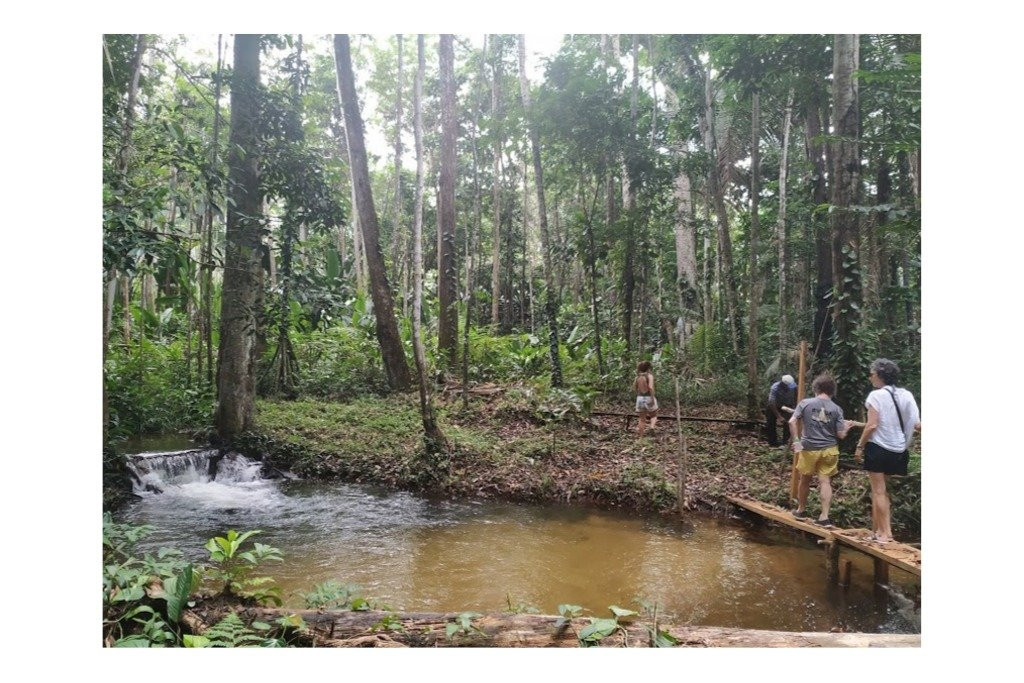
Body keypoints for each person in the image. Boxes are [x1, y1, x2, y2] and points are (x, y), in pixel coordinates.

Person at [854, 358, 921, 544]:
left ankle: (886, 534)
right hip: (899, 450)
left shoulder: (875, 396)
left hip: (878, 448)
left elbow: (872, 425)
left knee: (878, 491)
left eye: (872, 374)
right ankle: (877, 531)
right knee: (882, 492)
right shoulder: (906, 395)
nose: (870, 377)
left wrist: (860, 446)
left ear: (880, 376)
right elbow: (916, 423)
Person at [789, 374, 853, 527]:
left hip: (809, 448)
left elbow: (792, 421)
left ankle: (801, 510)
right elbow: (841, 435)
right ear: (832, 391)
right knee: (825, 481)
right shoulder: (837, 409)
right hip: (830, 450)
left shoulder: (805, 403)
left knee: (805, 479)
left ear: (816, 388)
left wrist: (797, 442)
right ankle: (824, 516)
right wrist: (847, 427)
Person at [764, 374, 797, 446]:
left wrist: (795, 408)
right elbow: (771, 403)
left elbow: (795, 397)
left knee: (788, 422)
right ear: (783, 384)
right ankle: (773, 443)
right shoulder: (775, 388)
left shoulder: (793, 386)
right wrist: (779, 416)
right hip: (774, 406)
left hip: (786, 405)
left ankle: (786, 442)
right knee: (770, 423)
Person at [633, 361, 658, 436]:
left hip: (640, 398)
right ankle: (652, 427)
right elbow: (650, 387)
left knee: (641, 419)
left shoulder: (637, 377)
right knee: (654, 415)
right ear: (648, 368)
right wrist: (652, 398)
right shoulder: (649, 376)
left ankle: (641, 438)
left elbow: (634, 388)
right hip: (648, 397)